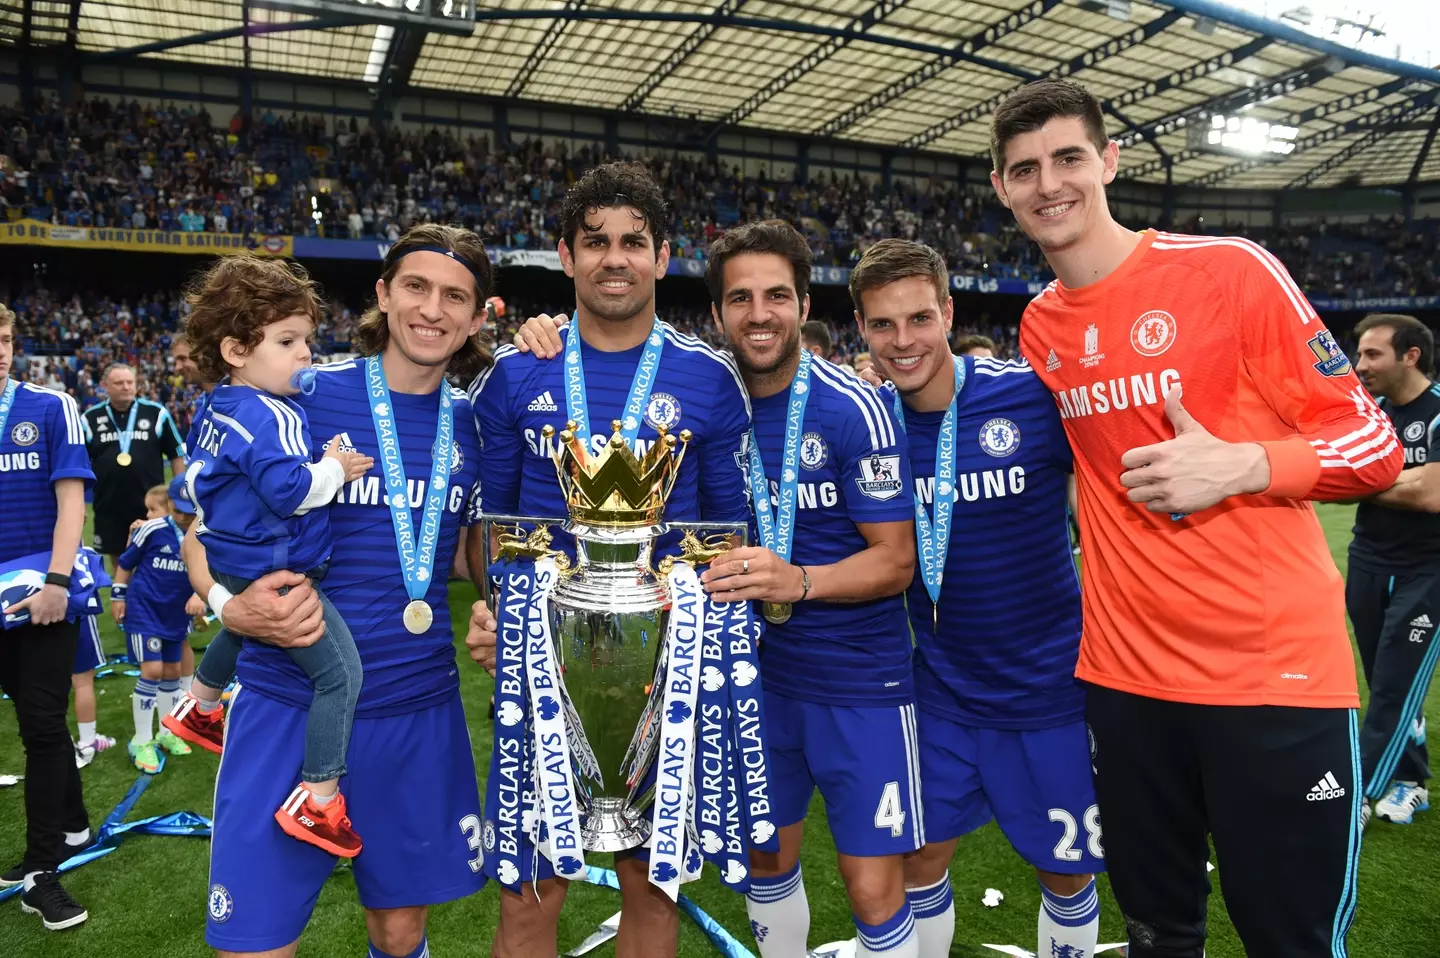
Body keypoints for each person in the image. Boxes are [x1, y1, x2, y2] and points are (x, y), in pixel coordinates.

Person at [990, 78, 1403, 956]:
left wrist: (1248, 464)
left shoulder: (1229, 272)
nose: (1048, 183)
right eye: (1024, 169)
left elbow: (1373, 443)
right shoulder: (1040, 327)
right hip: (1125, 681)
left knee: (1286, 939)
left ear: (1108, 161)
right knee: (1156, 934)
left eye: (1068, 157)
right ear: (1001, 188)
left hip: (1269, 679)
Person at [180, 224, 490, 958]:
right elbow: (199, 531)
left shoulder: (478, 425)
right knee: (251, 944)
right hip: (287, 699)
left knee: (400, 927)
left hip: (417, 709)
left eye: (455, 297)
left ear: (478, 319)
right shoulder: (300, 394)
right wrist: (232, 607)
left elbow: (473, 553)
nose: (432, 310)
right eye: (415, 287)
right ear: (384, 294)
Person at [470, 161, 752, 958]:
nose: (615, 258)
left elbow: (729, 535)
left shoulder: (709, 379)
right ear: (565, 255)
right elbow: (490, 531)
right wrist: (497, 608)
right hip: (538, 668)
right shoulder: (518, 373)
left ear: (664, 258)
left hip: (669, 671)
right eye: (595, 242)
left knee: (651, 893)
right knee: (529, 895)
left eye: (634, 242)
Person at [855, 239, 1103, 958]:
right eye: (881, 325)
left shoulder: (1027, 393)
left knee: (1066, 869)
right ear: (861, 330)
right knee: (918, 862)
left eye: (919, 319)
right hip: (940, 693)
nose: (903, 342)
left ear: (948, 312)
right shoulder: (865, 421)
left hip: (1052, 689)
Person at [163, 254, 374, 856]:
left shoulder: (217, 405)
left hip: (230, 558)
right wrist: (333, 468)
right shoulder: (271, 410)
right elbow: (288, 491)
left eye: (306, 338)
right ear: (236, 350)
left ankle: (199, 704)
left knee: (241, 629)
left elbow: (211, 483)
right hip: (277, 569)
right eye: (287, 340)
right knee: (341, 677)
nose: (306, 353)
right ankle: (318, 798)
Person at [0, 301, 94, 930]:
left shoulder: (49, 406)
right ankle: (75, 820)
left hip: (42, 596)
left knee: (38, 725)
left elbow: (71, 504)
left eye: (3, 338)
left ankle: (42, 871)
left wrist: (58, 581)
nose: (0, 349)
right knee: (40, 724)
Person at [1347, 312, 1440, 827]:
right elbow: (1339, 478)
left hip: (1427, 571)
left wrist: (1371, 481)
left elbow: (1432, 495)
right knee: (1386, 678)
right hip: (1367, 560)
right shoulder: (1371, 412)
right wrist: (1401, 480)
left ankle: (1361, 792)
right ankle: (1412, 784)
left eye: (1372, 354)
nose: (1360, 365)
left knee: (1391, 688)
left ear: (1411, 355)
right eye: (1360, 354)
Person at [113, 480, 205, 774]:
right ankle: (140, 740)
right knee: (151, 671)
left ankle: (167, 731)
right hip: (145, 610)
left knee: (172, 673)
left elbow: (209, 570)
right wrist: (118, 596)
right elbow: (126, 562)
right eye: (178, 511)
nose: (183, 517)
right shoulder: (152, 529)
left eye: (189, 513)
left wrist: (198, 596)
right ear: (169, 505)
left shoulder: (203, 532)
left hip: (175, 614)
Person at [81, 362, 186, 571]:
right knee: (118, 557)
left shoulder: (156, 413)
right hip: (109, 502)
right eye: (119, 383)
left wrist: (179, 494)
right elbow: (80, 464)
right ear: (105, 385)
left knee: (154, 553)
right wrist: (80, 504)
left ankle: (146, 596)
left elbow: (176, 454)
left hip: (151, 503)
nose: (126, 387)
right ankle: (123, 597)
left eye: (130, 382)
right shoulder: (90, 418)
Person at [70, 613, 117, 768]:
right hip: (73, 607)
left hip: (25, 606)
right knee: (82, 680)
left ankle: (53, 744)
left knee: (44, 681)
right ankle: (88, 741)